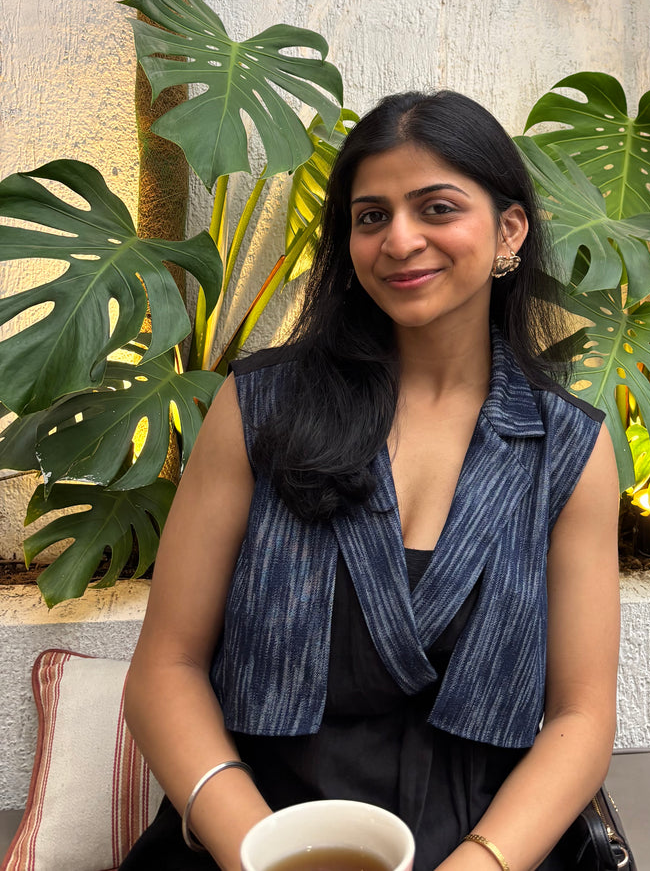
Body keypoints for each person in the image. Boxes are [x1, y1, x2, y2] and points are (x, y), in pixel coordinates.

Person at [121, 90, 621, 871]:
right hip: (254, 834)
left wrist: (478, 863)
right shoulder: (257, 407)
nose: (401, 239)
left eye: (437, 208)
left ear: (509, 231)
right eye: (371, 216)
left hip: (483, 845)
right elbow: (165, 670)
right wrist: (266, 853)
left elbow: (580, 716)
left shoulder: (568, 449)